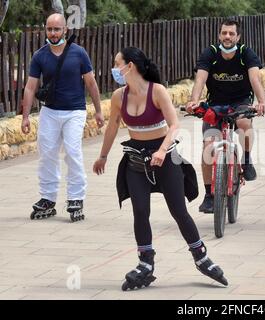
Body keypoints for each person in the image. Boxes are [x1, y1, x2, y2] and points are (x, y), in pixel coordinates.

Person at [93, 47, 228, 290]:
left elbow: (174, 124)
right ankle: (146, 263)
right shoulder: (118, 96)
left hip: (166, 158)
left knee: (178, 210)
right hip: (136, 161)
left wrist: (162, 150)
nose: (115, 68)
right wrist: (102, 156)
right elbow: (112, 126)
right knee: (140, 211)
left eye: (117, 63)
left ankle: (201, 257)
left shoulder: (157, 91)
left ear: (130, 65)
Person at [20, 13, 104, 221]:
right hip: (49, 111)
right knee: (46, 154)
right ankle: (48, 198)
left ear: (65, 29)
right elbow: (30, 87)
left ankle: (76, 197)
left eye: (57, 29)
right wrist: (25, 117)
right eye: (50, 29)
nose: (53, 33)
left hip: (74, 111)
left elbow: (91, 83)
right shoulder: (40, 55)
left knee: (72, 151)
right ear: (45, 30)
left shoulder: (79, 53)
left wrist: (99, 110)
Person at [186, 20, 265, 214]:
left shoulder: (246, 53)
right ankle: (209, 195)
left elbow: (255, 78)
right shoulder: (210, 53)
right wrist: (194, 101)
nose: (227, 37)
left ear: (238, 37)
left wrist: (261, 102)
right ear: (219, 35)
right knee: (208, 147)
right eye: (224, 33)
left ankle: (246, 160)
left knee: (243, 122)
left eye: (231, 33)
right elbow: (200, 78)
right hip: (216, 104)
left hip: (241, 101)